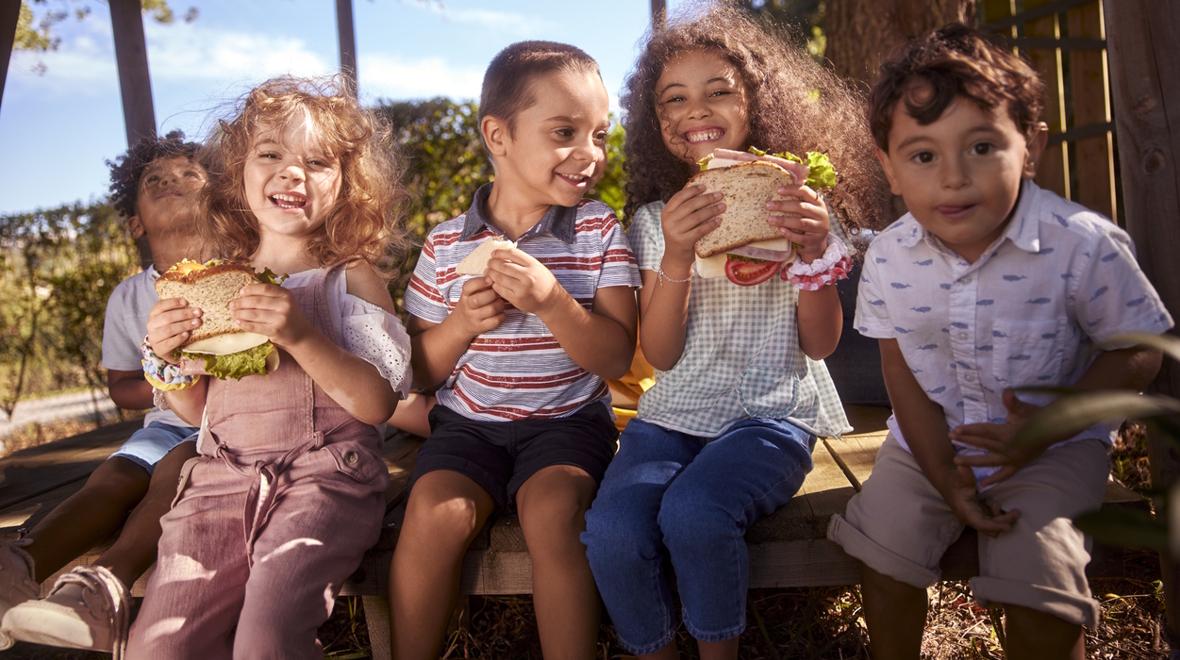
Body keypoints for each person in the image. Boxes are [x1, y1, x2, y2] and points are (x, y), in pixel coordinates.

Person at [825, 24, 1174, 659]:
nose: (953, 178)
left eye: (982, 146)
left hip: (1055, 445)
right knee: (881, 544)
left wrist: (1047, 425)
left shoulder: (1080, 244)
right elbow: (899, 369)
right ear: (890, 169)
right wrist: (938, 470)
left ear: (1031, 147)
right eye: (924, 156)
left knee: (1039, 571)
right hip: (929, 440)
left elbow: (1141, 348)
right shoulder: (890, 257)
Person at [580, 5, 892, 659]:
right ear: (657, 122)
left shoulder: (800, 204)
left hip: (772, 416)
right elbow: (659, 353)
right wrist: (674, 257)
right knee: (612, 527)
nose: (697, 108)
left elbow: (821, 345)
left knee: (694, 512)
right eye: (675, 98)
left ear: (754, 100)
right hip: (671, 415)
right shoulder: (654, 221)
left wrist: (809, 253)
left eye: (718, 89)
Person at [125, 76, 410, 658]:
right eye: (271, 154)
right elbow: (199, 411)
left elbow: (378, 404)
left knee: (266, 639)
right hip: (217, 484)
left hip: (325, 480)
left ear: (346, 186)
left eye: (317, 162)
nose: (292, 172)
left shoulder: (349, 276)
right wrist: (170, 356)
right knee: (158, 645)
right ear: (238, 176)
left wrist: (301, 335)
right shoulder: (212, 283)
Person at [388, 41, 639, 660]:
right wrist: (460, 325)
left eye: (600, 135)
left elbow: (615, 356)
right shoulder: (445, 245)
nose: (589, 154)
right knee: (431, 511)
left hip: (566, 424)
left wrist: (553, 300)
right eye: (564, 132)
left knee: (554, 512)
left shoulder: (599, 230)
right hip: (467, 427)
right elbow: (416, 371)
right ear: (498, 136)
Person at [0, 131, 206, 653]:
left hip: (226, 425)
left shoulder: (246, 275)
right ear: (136, 221)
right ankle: (16, 570)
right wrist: (166, 385)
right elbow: (122, 387)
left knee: (174, 473)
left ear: (218, 200)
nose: (171, 184)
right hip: (168, 420)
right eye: (155, 181)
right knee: (114, 474)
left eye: (188, 175)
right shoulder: (130, 296)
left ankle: (103, 587)